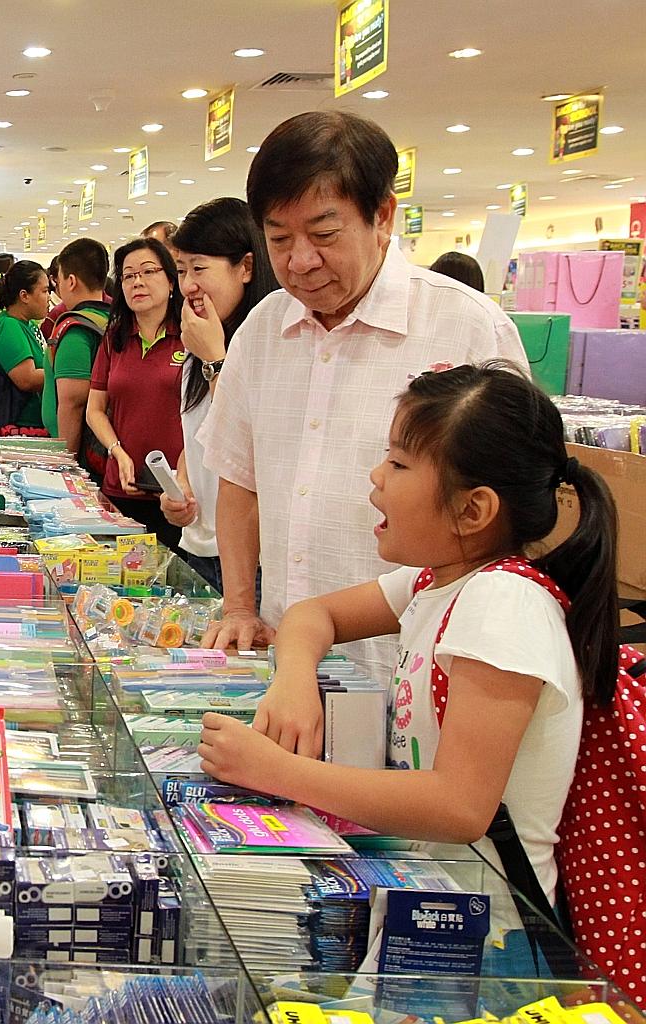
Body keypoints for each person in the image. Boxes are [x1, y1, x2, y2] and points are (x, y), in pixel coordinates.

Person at [199, 363, 616, 920]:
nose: (376, 476)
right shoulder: (440, 579)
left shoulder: (502, 606)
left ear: (473, 510)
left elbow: (459, 806)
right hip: (429, 897)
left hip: (487, 929)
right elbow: (312, 615)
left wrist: (272, 770)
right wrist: (294, 680)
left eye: (398, 463)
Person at [198, 110, 527, 684]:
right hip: (284, 662)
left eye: (324, 235)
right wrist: (241, 608)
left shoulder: (468, 327)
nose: (300, 261)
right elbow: (239, 482)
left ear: (382, 217)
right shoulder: (260, 331)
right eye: (279, 239)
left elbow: (509, 513)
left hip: (423, 669)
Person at [161, 198, 280, 592]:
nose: (188, 285)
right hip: (197, 546)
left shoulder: (272, 343)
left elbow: (257, 446)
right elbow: (200, 435)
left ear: (246, 267)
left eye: (200, 268)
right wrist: (181, 482)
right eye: (181, 270)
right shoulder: (199, 344)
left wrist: (215, 358)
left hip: (253, 561)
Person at [84, 238, 186, 550]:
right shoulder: (114, 339)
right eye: (128, 276)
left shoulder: (190, 335)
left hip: (178, 493)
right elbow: (95, 410)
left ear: (170, 281)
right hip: (121, 486)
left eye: (147, 272)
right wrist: (118, 452)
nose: (137, 282)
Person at [42, 239, 110, 470]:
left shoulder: (75, 331)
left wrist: (66, 466)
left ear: (71, 281)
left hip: (83, 454)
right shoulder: (114, 321)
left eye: (58, 280)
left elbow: (73, 403)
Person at [0, 260, 49, 430]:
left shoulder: (29, 325)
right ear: (24, 295)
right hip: (19, 428)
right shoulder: (9, 326)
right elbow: (27, 379)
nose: (49, 297)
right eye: (45, 291)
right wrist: (66, 372)